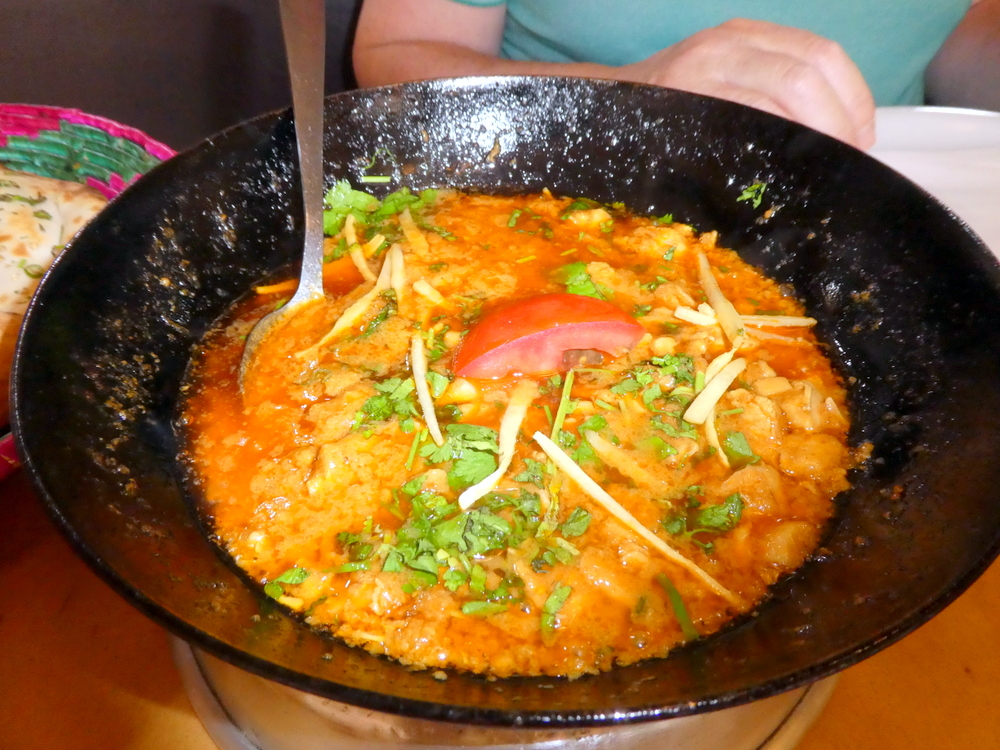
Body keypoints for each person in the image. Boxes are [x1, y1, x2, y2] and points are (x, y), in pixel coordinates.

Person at [353, 0, 999, 151]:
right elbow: (396, 50)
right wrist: (628, 96)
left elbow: (945, 32)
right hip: (577, 178)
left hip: (896, 191)